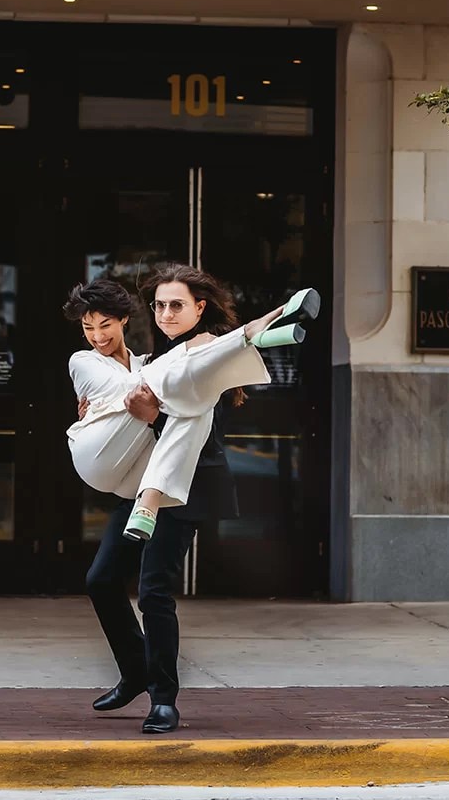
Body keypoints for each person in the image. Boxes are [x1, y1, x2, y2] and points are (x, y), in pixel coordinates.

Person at [73, 263, 319, 735]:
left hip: (186, 486)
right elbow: (122, 397)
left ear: (199, 308)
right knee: (101, 579)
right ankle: (135, 671)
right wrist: (103, 412)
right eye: (160, 305)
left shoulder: (207, 354)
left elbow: (202, 433)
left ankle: (163, 700)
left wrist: (151, 417)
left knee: (153, 591)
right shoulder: (157, 359)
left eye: (177, 305)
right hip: (142, 484)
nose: (166, 313)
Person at [64, 280, 315, 539]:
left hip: (135, 477)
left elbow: (162, 380)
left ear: (124, 319)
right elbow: (130, 387)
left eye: (105, 325)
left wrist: (184, 363)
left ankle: (149, 500)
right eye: (88, 328)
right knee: (169, 385)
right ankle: (251, 334)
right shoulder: (82, 361)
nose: (98, 336)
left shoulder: (145, 363)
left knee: (198, 404)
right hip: (96, 458)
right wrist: (191, 346)